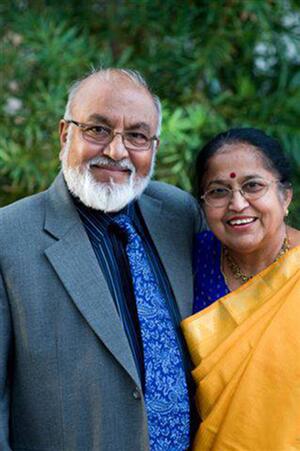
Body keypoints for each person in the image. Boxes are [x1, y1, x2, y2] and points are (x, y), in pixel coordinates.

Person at [0, 68, 202, 451]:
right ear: (65, 134)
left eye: (137, 136)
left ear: (154, 147)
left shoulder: (180, 215)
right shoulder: (8, 238)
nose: (116, 151)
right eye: (98, 130)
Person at [181, 128, 300, 450]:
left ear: (285, 195)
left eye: (253, 186)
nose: (237, 203)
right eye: (218, 191)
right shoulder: (190, 260)